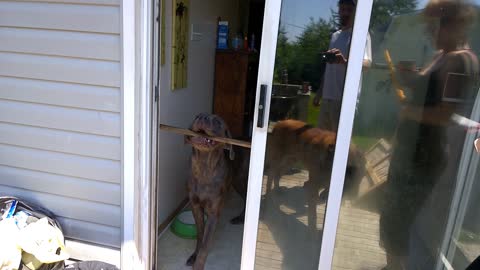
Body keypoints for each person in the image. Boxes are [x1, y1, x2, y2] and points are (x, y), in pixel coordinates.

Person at [380, 1, 479, 269]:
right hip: (412, 150)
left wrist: (409, 113)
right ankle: (393, 266)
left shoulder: (461, 60)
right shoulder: (442, 55)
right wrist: (411, 78)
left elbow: (445, 114)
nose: (428, 31)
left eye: (432, 25)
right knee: (393, 218)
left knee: (400, 222)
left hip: (423, 157)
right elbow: (429, 90)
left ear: (452, 25)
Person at [313, 0, 372, 132]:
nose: (345, 13)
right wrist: (319, 93)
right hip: (327, 98)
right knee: (321, 142)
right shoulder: (335, 36)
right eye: (342, 9)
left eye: (349, 10)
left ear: (356, 12)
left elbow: (367, 65)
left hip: (344, 101)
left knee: (337, 146)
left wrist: (344, 61)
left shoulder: (360, 34)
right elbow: (329, 68)